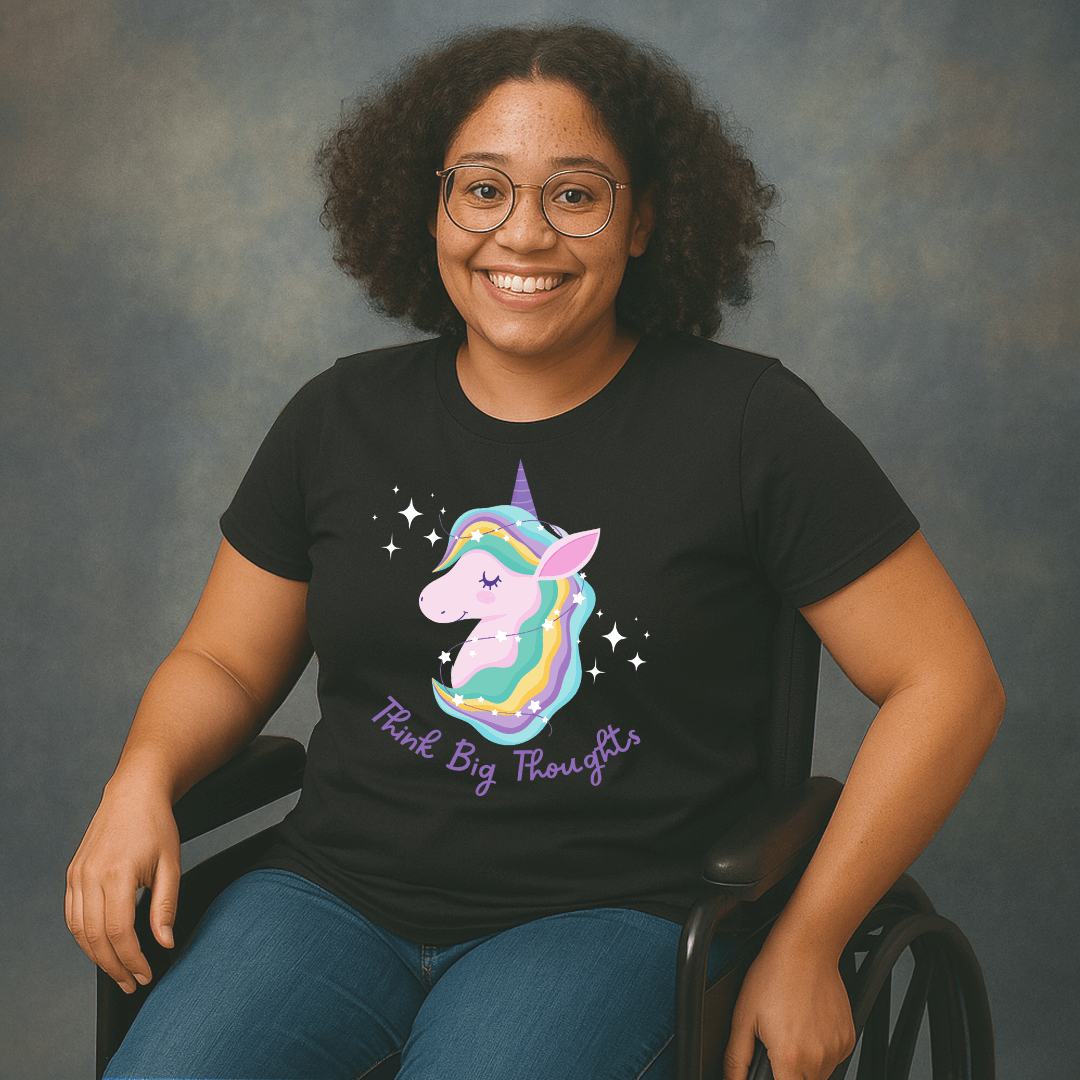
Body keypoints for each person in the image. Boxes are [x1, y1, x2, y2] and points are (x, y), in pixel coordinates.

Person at [65, 23, 1005, 1080]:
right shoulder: (339, 417)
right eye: (482, 189)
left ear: (644, 218)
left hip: (609, 916)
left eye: (575, 193)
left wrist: (810, 938)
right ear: (430, 207)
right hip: (329, 894)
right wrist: (140, 778)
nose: (522, 235)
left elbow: (948, 683)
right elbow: (225, 664)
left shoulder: (749, 425)